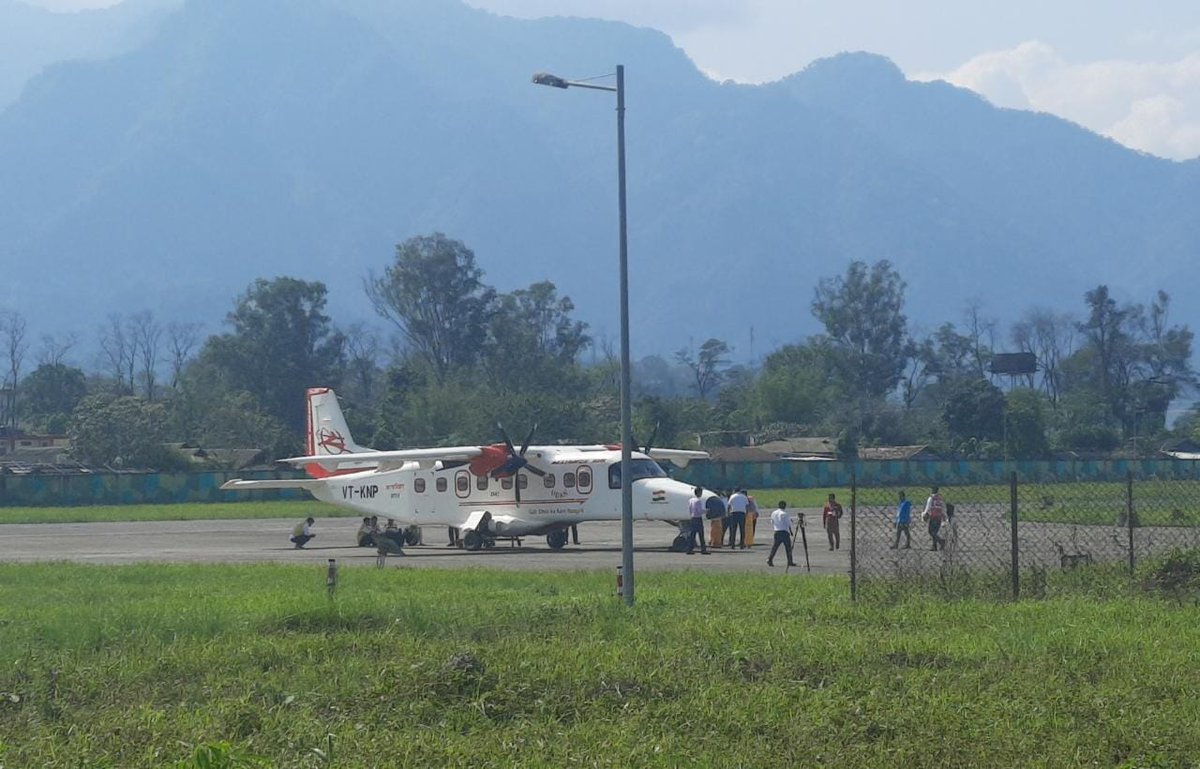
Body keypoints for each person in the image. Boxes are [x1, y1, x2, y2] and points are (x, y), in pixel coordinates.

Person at [767, 501, 796, 568]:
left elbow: (772, 521)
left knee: (775, 547)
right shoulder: (784, 514)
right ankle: (790, 561)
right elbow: (788, 523)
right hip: (784, 532)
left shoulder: (774, 513)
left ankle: (770, 559)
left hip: (777, 531)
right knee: (788, 548)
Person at [686, 486, 710, 555]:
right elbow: (699, 511)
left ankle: (689, 549)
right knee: (701, 535)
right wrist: (706, 511)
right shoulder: (698, 501)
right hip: (698, 518)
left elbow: (690, 509)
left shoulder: (691, 500)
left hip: (693, 518)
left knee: (692, 535)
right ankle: (703, 549)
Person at [923, 485, 947, 551]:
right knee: (935, 532)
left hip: (933, 516)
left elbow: (928, 507)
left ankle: (941, 541)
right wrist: (944, 517)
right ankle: (934, 546)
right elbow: (943, 507)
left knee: (931, 531)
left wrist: (924, 514)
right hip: (939, 517)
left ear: (933, 490)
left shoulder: (931, 498)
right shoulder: (940, 498)